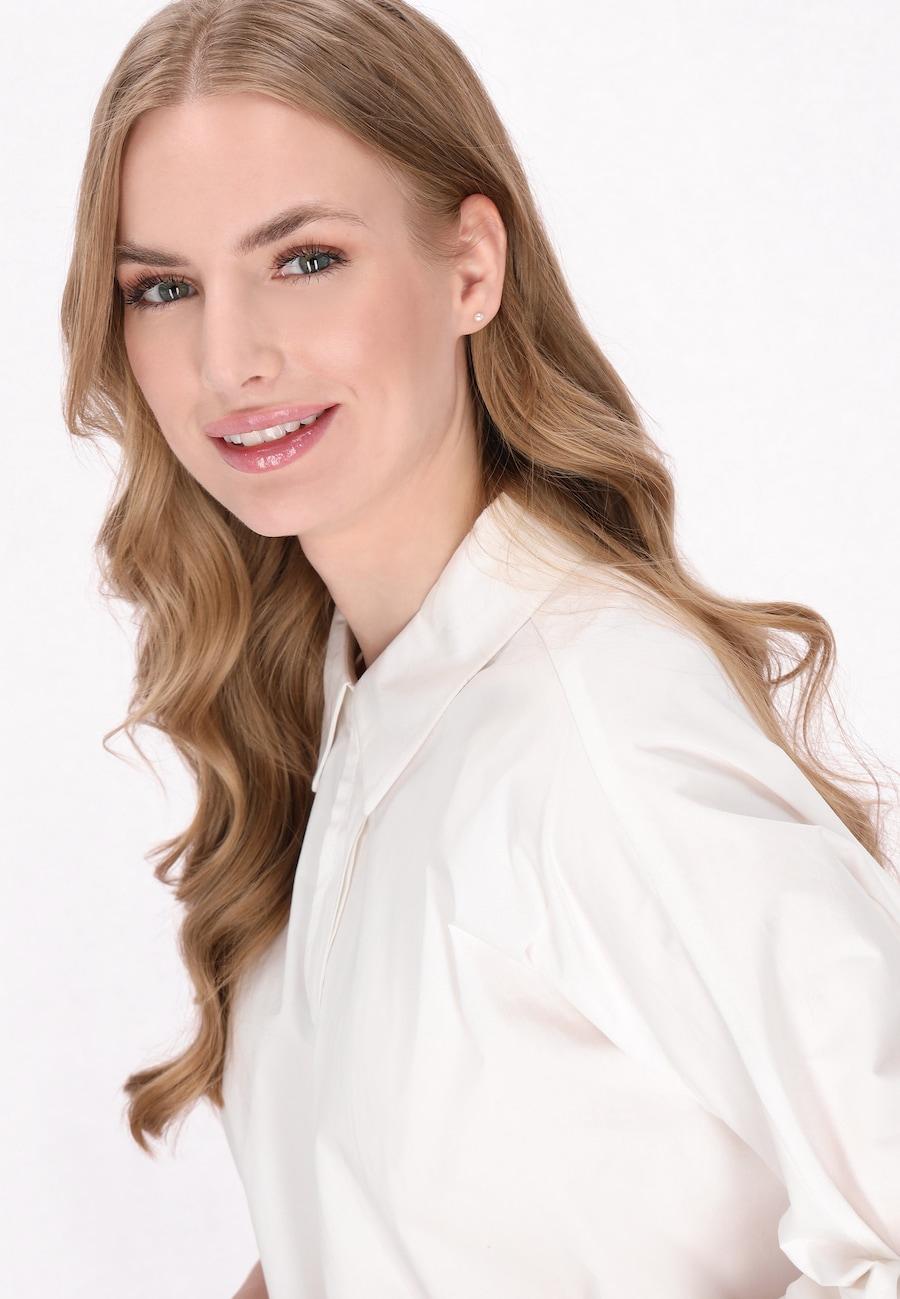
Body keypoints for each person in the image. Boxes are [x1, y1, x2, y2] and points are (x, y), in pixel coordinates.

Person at [59, 1, 900, 1297]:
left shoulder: (599, 723)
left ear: (471, 267)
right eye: (164, 288)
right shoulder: (355, 696)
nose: (229, 359)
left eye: (305, 259)